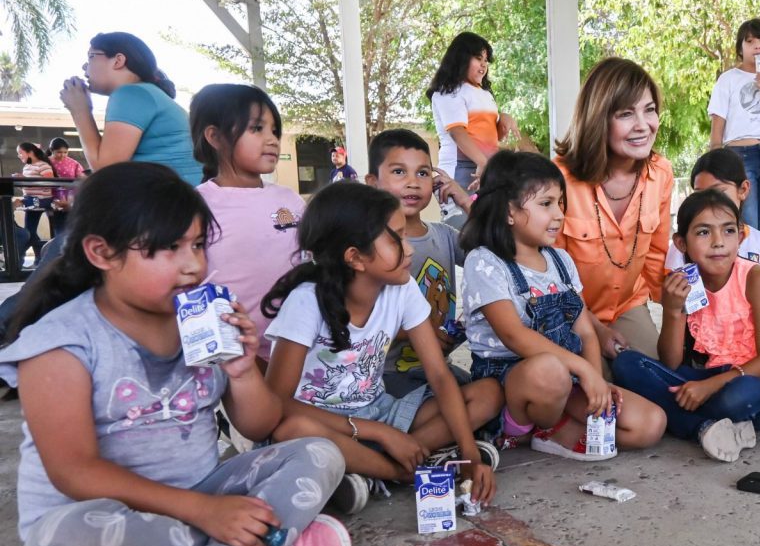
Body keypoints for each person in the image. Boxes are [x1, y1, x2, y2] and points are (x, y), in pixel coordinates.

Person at [0, 163, 349, 546]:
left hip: (203, 493)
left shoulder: (203, 320)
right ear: (101, 253)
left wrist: (244, 370)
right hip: (102, 518)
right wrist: (206, 514)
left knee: (319, 452)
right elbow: (73, 471)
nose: (191, 266)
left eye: (198, 245)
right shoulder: (63, 341)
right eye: (166, 250)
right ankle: (269, 544)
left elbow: (257, 426)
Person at [262, 182, 501, 513]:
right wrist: (381, 434)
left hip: (380, 409)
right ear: (355, 258)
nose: (410, 249)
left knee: (487, 394)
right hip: (322, 422)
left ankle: (363, 467)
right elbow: (276, 404)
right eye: (397, 238)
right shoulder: (306, 302)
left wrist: (471, 458)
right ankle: (400, 469)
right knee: (293, 431)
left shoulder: (400, 289)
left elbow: (438, 374)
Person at [461, 151, 666, 460]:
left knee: (649, 424)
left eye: (560, 203)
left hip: (566, 378)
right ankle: (513, 427)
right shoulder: (485, 262)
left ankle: (550, 427)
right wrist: (582, 369)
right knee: (549, 370)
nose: (558, 214)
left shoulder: (560, 260)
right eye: (546, 204)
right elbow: (515, 336)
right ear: (509, 211)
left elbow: (584, 330)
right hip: (511, 380)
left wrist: (595, 380)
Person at [613, 189, 760, 462]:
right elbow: (672, 363)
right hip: (710, 377)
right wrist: (674, 311)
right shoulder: (686, 282)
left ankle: (688, 420)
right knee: (626, 364)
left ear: (741, 236)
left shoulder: (754, 278)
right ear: (681, 244)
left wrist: (708, 387)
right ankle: (705, 427)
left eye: (729, 231)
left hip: (759, 382)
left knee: (734, 399)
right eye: (703, 233)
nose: (719, 242)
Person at [553, 57, 673, 363]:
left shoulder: (661, 173)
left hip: (627, 305)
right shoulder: (558, 181)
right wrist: (596, 330)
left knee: (656, 381)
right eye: (626, 114)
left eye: (649, 110)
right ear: (599, 119)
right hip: (568, 311)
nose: (643, 126)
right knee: (596, 390)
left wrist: (685, 313)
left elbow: (658, 257)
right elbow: (549, 277)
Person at [190, 83, 305, 365]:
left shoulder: (289, 199)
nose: (273, 139)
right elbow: (189, 285)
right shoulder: (197, 205)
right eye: (256, 129)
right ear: (215, 137)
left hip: (301, 350)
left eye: (274, 130)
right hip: (236, 359)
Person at [364, 129, 475, 397]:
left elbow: (495, 253)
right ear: (372, 182)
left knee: (488, 394)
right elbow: (355, 320)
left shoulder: (445, 236)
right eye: (399, 172)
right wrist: (409, 333)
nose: (413, 182)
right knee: (450, 406)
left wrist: (466, 203)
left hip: (438, 370)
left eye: (423, 173)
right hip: (384, 375)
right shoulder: (367, 245)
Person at [58, 32, 202, 185]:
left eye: (91, 57)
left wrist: (80, 110)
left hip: (169, 203)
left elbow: (106, 170)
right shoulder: (145, 93)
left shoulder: (130, 94)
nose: (84, 66)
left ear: (118, 60)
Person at [709, 18, 760, 266]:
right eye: (750, 41)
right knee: (747, 226)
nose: (757, 46)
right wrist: (714, 165)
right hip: (739, 155)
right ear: (740, 47)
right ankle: (743, 282)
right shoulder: (728, 79)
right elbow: (717, 129)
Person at [427, 32, 522, 226]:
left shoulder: (484, 94)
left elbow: (494, 137)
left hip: (483, 169)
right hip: (461, 170)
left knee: (487, 228)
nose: (484, 65)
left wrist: (504, 119)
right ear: (461, 58)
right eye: (478, 58)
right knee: (463, 228)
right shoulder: (449, 91)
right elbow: (457, 132)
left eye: (486, 60)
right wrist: (482, 162)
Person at [665, 148, 760, 280]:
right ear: (681, 244)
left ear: (743, 189)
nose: (709, 201)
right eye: (700, 194)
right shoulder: (683, 245)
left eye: (718, 192)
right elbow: (673, 294)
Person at [13, 142, 54, 264]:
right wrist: (21, 181)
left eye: (21, 153)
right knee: (29, 232)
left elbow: (49, 184)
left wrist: (24, 180)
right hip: (29, 199)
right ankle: (39, 259)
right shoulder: (27, 167)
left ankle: (22, 259)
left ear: (30, 153)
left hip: (41, 200)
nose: (19, 156)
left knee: (28, 232)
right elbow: (29, 187)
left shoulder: (43, 166)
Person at [46, 137, 86, 238]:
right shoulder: (45, 163)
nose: (63, 155)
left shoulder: (73, 163)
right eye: (59, 152)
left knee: (69, 228)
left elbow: (81, 178)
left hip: (70, 200)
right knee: (59, 228)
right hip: (52, 199)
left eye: (65, 152)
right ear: (52, 151)